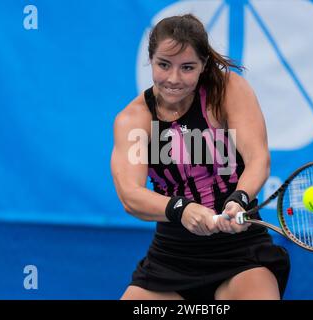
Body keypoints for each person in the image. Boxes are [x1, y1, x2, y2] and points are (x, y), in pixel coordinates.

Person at [111, 14, 290, 300]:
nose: (173, 78)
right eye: (164, 65)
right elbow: (130, 196)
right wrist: (181, 209)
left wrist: (239, 198)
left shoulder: (229, 90)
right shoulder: (134, 119)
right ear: (150, 60)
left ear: (203, 65)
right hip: (171, 262)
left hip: (242, 254)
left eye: (187, 68)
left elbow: (258, 159)